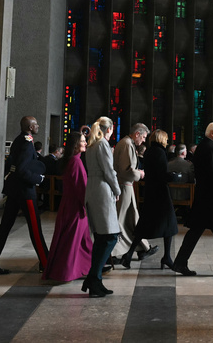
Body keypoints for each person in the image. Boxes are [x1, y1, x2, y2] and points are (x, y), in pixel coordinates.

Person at [0, 115, 50, 276]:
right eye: (36, 124)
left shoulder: (21, 139)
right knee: (35, 228)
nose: (38, 126)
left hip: (14, 191)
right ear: (30, 127)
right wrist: (39, 179)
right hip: (25, 192)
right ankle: (46, 264)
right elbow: (22, 170)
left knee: (4, 228)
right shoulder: (26, 143)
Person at [171, 121, 213, 277]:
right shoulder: (212, 149)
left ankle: (180, 262)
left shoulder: (204, 146)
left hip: (204, 198)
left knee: (195, 231)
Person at [116, 129, 178, 270]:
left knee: (145, 225)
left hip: (150, 192)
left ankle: (129, 255)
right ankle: (166, 258)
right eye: (166, 139)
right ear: (162, 139)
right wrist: (173, 177)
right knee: (170, 224)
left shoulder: (149, 152)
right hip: (160, 193)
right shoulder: (160, 153)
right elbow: (161, 175)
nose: (167, 141)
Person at [42, 129, 93, 283]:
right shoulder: (76, 162)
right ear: (76, 145)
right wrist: (88, 203)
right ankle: (64, 272)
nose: (85, 143)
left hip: (70, 204)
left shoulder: (72, 159)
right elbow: (81, 187)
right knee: (72, 241)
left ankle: (88, 266)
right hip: (75, 207)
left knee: (81, 240)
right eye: (83, 141)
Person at [83, 116, 121, 296]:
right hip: (102, 190)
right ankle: (93, 277)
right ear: (109, 130)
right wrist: (117, 189)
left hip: (92, 188)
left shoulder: (91, 145)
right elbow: (109, 170)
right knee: (110, 236)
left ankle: (95, 279)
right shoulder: (103, 144)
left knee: (101, 237)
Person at [113, 123, 155, 261]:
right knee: (121, 219)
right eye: (143, 137)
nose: (143, 141)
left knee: (132, 219)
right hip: (124, 186)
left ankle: (143, 248)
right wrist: (140, 174)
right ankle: (112, 252)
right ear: (137, 134)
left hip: (127, 186)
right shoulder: (126, 144)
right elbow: (127, 170)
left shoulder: (128, 143)